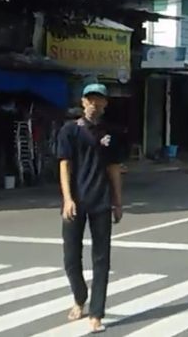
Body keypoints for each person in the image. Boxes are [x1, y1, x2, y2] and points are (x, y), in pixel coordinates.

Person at [57, 83, 123, 333]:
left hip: (101, 201)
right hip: (75, 201)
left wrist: (118, 202)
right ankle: (79, 296)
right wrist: (67, 199)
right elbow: (64, 165)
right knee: (71, 257)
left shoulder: (110, 133)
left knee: (101, 259)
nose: (95, 104)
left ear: (106, 103)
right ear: (83, 102)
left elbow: (114, 169)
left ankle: (96, 313)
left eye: (100, 100)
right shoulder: (70, 130)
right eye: (91, 99)